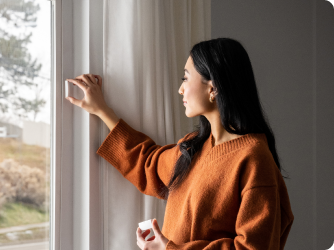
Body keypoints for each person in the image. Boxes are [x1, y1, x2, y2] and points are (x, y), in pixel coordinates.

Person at [66, 38, 294, 250]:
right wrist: (103, 111)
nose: (180, 89)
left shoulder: (254, 158)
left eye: (186, 78)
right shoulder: (193, 147)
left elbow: (254, 247)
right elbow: (148, 163)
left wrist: (169, 248)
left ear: (213, 87)